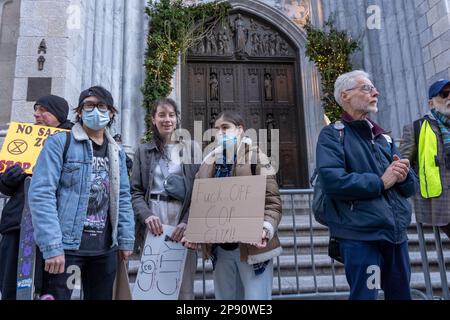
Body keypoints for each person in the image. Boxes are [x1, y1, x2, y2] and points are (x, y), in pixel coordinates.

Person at [316, 70, 418, 300]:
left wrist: (404, 175)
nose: (376, 92)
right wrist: (380, 182)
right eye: (366, 88)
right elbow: (333, 181)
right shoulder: (333, 135)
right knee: (365, 295)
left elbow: (409, 187)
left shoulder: (384, 138)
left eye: (373, 88)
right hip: (361, 237)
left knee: (401, 295)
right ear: (345, 95)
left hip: (395, 236)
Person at [28, 86, 135, 300]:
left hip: (105, 250)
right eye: (89, 105)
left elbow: (123, 197)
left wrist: (125, 239)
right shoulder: (59, 143)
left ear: (111, 112)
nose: (95, 110)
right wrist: (52, 246)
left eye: (101, 106)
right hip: (67, 248)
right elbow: (41, 194)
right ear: (79, 112)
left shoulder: (117, 152)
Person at [183, 111, 282, 300]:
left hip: (252, 247)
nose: (220, 133)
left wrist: (266, 228)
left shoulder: (258, 158)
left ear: (240, 130)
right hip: (220, 249)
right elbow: (198, 202)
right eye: (217, 129)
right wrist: (194, 230)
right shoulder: (207, 162)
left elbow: (273, 202)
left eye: (225, 128)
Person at [0, 95, 73, 300]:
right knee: (13, 287)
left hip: (55, 228)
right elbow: (4, 188)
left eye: (42, 110)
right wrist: (8, 179)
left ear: (58, 113)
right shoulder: (25, 139)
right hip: (17, 224)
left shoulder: (74, 140)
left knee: (52, 289)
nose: (36, 114)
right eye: (35, 109)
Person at [131, 98, 200, 300]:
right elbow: (135, 191)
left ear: (177, 119)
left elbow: (200, 191)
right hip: (154, 220)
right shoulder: (143, 151)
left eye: (171, 115)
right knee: (154, 286)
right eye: (161, 115)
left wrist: (188, 221)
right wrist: (146, 216)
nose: (167, 119)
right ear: (153, 119)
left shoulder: (192, 148)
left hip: (182, 220)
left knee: (184, 288)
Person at [399, 79, 450, 238]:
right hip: (442, 203)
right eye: (444, 94)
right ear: (431, 104)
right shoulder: (417, 128)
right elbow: (402, 165)